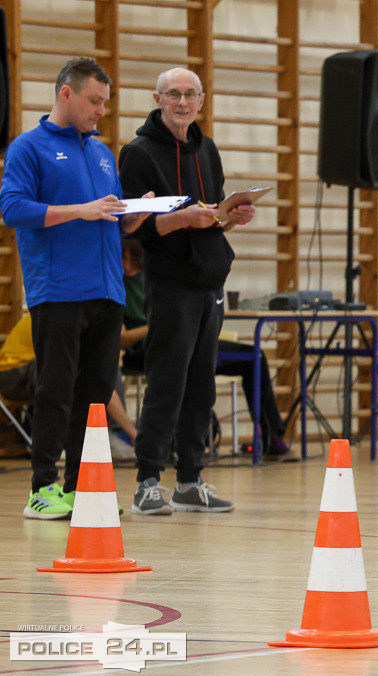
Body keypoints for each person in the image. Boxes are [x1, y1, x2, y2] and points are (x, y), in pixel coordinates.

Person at [0, 58, 149, 520]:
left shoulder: (104, 154)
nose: (101, 110)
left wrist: (138, 214)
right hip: (59, 290)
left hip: (108, 293)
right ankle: (42, 488)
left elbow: (114, 224)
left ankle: (80, 487)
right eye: (94, 101)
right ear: (66, 94)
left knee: (96, 394)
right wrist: (79, 209)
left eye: (105, 102)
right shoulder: (29, 148)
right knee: (56, 390)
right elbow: (12, 208)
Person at [118, 67, 255, 515]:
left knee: (201, 386)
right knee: (167, 383)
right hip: (169, 282)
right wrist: (183, 218)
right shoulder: (137, 153)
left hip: (210, 280)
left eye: (189, 95)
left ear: (201, 100)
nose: (181, 102)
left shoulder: (207, 148)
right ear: (158, 99)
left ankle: (191, 480)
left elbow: (211, 213)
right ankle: (147, 481)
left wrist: (230, 218)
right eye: (172, 94)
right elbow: (135, 228)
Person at [119, 238, 290, 457]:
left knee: (254, 357)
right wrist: (156, 324)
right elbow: (123, 339)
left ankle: (271, 435)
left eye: (130, 256)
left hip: (186, 334)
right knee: (180, 362)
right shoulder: (120, 283)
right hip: (145, 347)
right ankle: (170, 445)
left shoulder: (154, 275)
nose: (127, 261)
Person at [0, 312, 138, 463]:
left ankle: (107, 434)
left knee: (99, 370)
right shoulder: (75, 318)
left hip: (29, 370)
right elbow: (102, 386)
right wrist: (133, 433)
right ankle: (53, 442)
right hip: (11, 376)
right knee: (71, 370)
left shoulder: (81, 312)